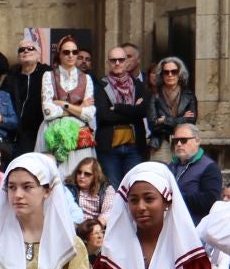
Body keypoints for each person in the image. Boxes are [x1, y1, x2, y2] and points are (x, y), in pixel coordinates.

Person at [41, 37, 98, 176]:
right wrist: (78, 108)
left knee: (81, 176)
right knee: (53, 176)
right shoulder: (49, 76)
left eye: (74, 51)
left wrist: (64, 104)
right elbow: (48, 112)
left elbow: (89, 113)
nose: (71, 55)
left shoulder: (86, 78)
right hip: (53, 131)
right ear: (59, 54)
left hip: (79, 133)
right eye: (66, 52)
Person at [94, 46, 147, 184]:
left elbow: (142, 111)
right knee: (114, 190)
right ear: (108, 63)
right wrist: (132, 110)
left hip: (134, 147)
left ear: (126, 62)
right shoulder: (100, 85)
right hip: (109, 148)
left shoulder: (139, 85)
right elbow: (104, 115)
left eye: (121, 60)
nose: (117, 63)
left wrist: (117, 108)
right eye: (113, 60)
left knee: (134, 187)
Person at [4, 35, 50, 163]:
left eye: (30, 48)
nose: (25, 51)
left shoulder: (47, 74)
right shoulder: (11, 77)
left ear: (39, 55)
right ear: (18, 56)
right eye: (21, 50)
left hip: (40, 131)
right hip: (16, 134)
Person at [144, 57, 197, 161]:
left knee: (183, 175)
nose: (170, 75)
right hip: (161, 142)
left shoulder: (189, 95)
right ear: (161, 75)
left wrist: (164, 120)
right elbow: (153, 124)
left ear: (180, 74)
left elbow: (190, 122)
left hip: (183, 141)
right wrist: (181, 119)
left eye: (174, 72)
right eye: (166, 72)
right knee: (159, 175)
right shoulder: (155, 95)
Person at [168, 124, 223, 221]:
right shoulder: (171, 166)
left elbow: (211, 201)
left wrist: (176, 197)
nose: (179, 144)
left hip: (194, 226)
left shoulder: (209, 167)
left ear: (197, 141)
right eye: (175, 141)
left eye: (184, 140)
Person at [66, 155, 116, 224]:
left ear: (95, 176)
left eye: (87, 174)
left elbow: (108, 212)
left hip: (98, 228)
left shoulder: (106, 189)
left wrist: (94, 227)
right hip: (75, 227)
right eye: (79, 172)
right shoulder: (69, 189)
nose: (81, 176)